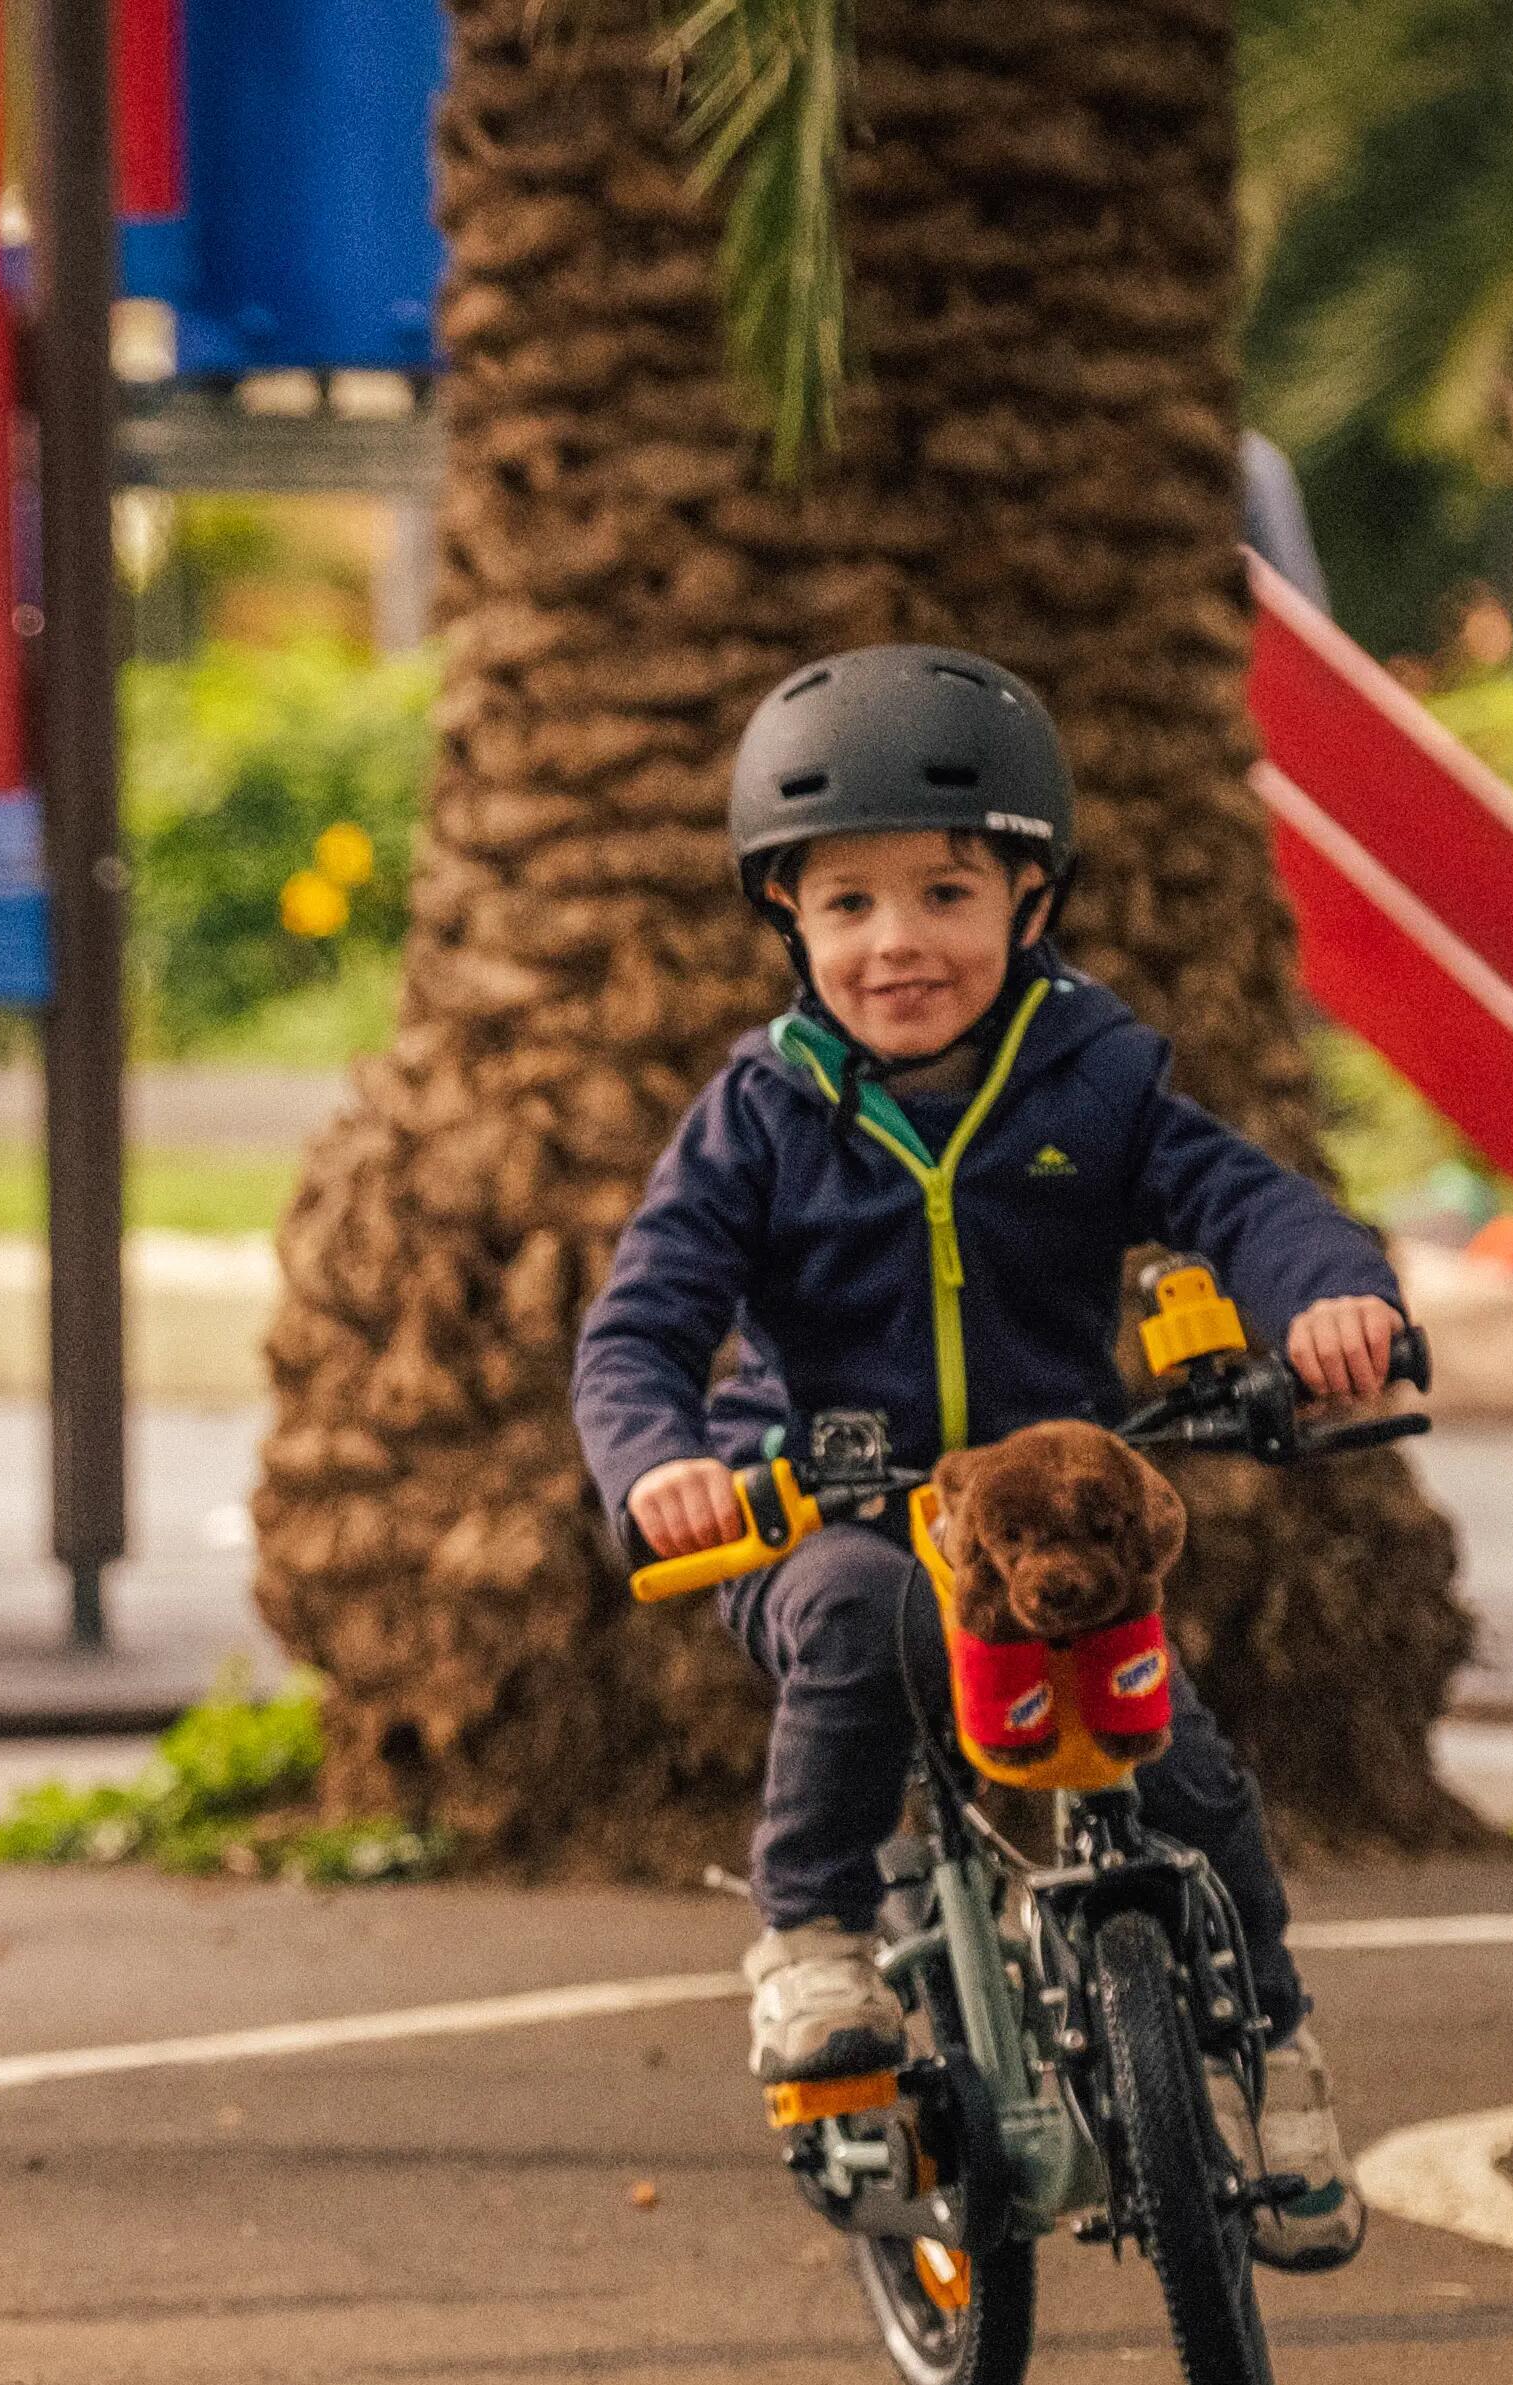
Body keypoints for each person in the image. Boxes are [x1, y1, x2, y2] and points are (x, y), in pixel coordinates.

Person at [571, 645, 1416, 2266]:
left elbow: (1254, 1206)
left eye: (947, 892)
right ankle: (811, 1939)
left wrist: (1333, 1305)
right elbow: (639, 1328)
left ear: (1030, 905)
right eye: (850, 907)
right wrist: (657, 1462)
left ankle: (1275, 2049)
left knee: (1183, 1768)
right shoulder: (759, 1117)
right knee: (863, 1608)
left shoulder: (1095, 1079)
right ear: (790, 923)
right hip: (829, 1503)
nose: (900, 944)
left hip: (1045, 1531)